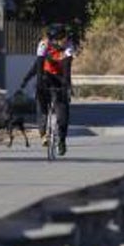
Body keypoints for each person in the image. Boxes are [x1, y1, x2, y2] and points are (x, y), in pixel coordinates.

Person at [20, 22, 74, 156]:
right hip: (46, 75)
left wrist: (66, 85)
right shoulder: (43, 45)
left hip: (60, 77)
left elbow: (67, 69)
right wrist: (38, 84)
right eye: (63, 38)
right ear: (54, 40)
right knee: (41, 99)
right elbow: (38, 66)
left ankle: (61, 140)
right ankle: (43, 132)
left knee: (63, 110)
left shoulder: (68, 47)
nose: (65, 40)